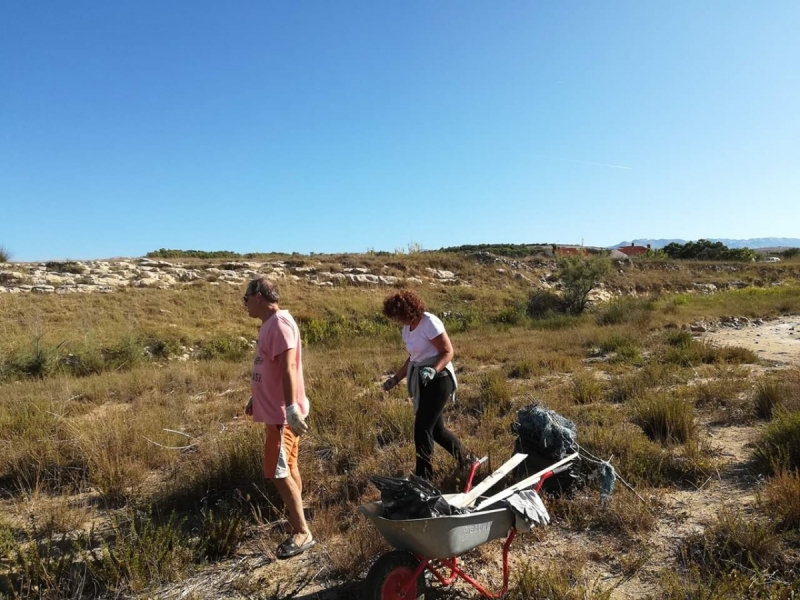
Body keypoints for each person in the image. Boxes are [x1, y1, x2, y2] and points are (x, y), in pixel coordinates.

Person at [243, 277, 314, 559]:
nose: (244, 304)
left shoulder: (280, 324)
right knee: (290, 465)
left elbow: (288, 367)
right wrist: (256, 396)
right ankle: (298, 516)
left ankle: (302, 532)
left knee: (277, 471)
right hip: (275, 410)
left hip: (281, 416)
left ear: (258, 296)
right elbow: (270, 369)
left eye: (245, 298)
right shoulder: (270, 325)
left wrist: (290, 408)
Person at [382, 290, 469, 480]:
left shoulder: (429, 322)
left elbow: (448, 352)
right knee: (436, 431)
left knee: (422, 428)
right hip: (423, 380)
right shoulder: (407, 329)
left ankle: (424, 477)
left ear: (409, 309)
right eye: (395, 317)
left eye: (400, 315)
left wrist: (433, 370)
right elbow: (413, 358)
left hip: (439, 379)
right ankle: (468, 460)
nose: (398, 320)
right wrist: (395, 379)